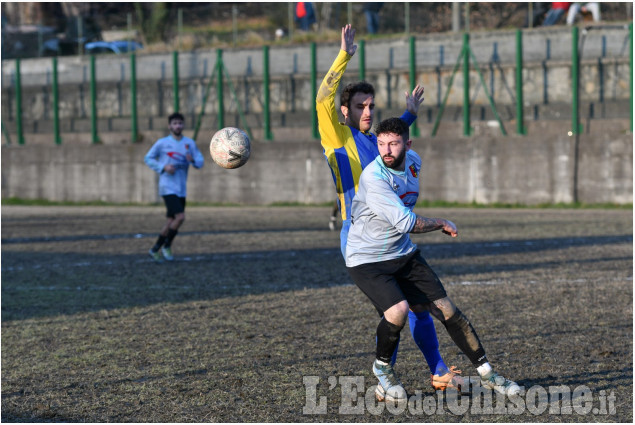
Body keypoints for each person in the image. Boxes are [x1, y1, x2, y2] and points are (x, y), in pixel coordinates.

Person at [317, 24, 464, 397]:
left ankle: (438, 372)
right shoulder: (339, 137)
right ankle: (389, 378)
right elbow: (323, 99)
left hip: (393, 232)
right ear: (345, 112)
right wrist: (344, 56)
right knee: (397, 310)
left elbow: (390, 141)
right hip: (361, 237)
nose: (367, 111)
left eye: (371, 105)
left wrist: (409, 114)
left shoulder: (372, 140)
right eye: (360, 106)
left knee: (416, 307)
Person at [345, 117, 521, 402]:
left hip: (402, 253)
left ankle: (489, 375)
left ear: (407, 144)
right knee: (398, 311)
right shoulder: (374, 177)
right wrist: (440, 222)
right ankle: (382, 370)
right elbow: (406, 222)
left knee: (447, 310)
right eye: (381, 144)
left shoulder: (413, 161)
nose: (386, 150)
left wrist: (410, 112)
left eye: (393, 143)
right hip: (367, 259)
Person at [144, 112, 204, 263]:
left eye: (180, 123)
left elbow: (200, 161)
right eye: (175, 123)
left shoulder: (189, 143)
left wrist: (193, 161)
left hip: (181, 188)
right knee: (180, 216)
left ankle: (155, 249)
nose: (178, 126)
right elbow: (148, 158)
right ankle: (167, 245)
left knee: (172, 220)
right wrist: (163, 167)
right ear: (169, 126)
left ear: (183, 125)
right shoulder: (162, 143)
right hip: (167, 186)